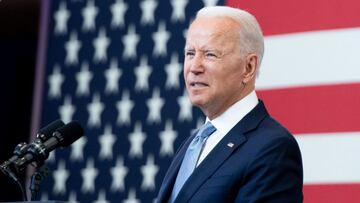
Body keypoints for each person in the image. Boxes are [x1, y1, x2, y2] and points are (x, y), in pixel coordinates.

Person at [157, 6, 303, 203]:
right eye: (190, 53)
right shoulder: (195, 143)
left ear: (248, 67)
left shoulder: (273, 148)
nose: (194, 67)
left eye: (210, 54)